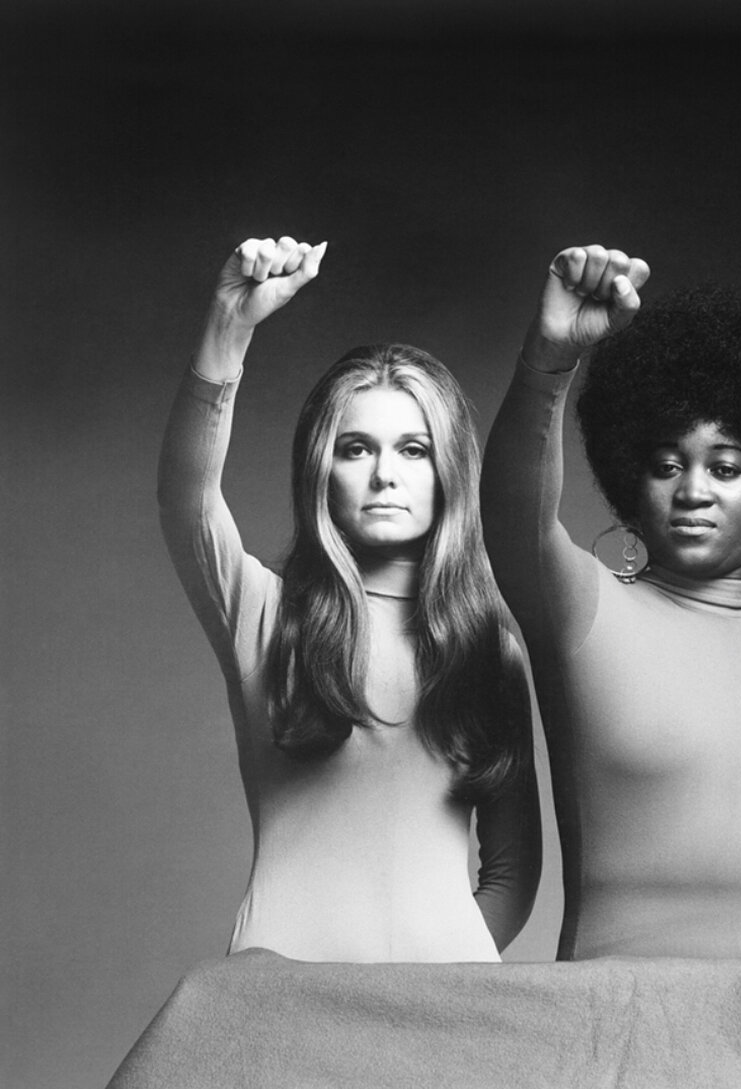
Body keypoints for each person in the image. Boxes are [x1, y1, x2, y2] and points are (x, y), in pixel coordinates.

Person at [481, 244, 741, 1089]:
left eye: (726, 465)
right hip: (626, 1056)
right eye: (667, 462)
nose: (694, 488)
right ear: (630, 481)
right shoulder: (586, 612)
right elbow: (510, 513)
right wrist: (548, 365)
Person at [158, 235, 540, 963]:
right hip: (278, 1014)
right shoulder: (263, 614)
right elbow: (187, 502)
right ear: (319, 467)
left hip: (442, 1024)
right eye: (357, 448)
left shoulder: (491, 649)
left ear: (448, 472)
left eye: (414, 449)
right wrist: (226, 333)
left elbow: (514, 874)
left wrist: (437, 979)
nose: (385, 475)